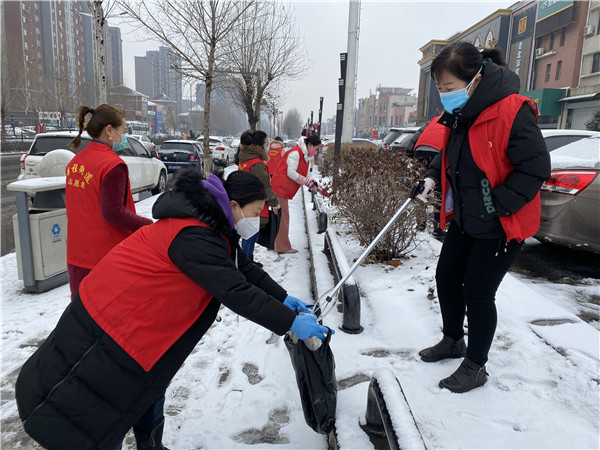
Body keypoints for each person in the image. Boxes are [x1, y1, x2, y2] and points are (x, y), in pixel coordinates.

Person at [15, 169, 331, 450]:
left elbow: (242, 268)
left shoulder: (210, 225)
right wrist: (290, 321)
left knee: (147, 390)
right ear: (233, 206)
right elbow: (235, 291)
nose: (258, 219)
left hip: (138, 327)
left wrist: (283, 297)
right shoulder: (195, 235)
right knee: (99, 414)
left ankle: (151, 444)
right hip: (111, 330)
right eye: (256, 211)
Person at [414, 42, 550, 393]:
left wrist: (498, 203)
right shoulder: (461, 115)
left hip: (501, 225)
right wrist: (431, 177)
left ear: (474, 80)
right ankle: (452, 340)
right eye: (440, 89)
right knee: (446, 278)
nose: (444, 96)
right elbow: (448, 153)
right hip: (465, 218)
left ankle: (476, 365)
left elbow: (535, 168)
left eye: (449, 88)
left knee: (477, 292)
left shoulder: (512, 111)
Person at [66, 105, 152, 301]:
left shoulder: (76, 163)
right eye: (122, 131)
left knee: (82, 315)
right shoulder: (112, 165)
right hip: (106, 257)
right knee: (108, 317)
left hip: (77, 253)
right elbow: (112, 212)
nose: (124, 137)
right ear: (109, 130)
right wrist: (147, 226)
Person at [271, 134, 322, 254]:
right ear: (310, 145)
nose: (317, 151)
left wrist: (315, 185)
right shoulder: (296, 153)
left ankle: (275, 244)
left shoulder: (306, 155)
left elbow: (307, 175)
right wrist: (306, 181)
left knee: (280, 216)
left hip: (283, 189)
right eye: (316, 148)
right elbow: (291, 172)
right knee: (283, 217)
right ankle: (281, 246)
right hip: (279, 187)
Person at [237, 130, 279, 264]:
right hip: (254, 205)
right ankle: (246, 263)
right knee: (251, 234)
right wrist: (275, 203)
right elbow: (265, 187)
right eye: (266, 143)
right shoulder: (257, 164)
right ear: (258, 146)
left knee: (248, 234)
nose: (268, 146)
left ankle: (247, 260)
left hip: (244, 202)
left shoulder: (245, 159)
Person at [406, 116, 446, 236]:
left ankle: (420, 224)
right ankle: (439, 226)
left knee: (422, 188)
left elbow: (416, 135)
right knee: (439, 190)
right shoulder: (453, 120)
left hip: (420, 150)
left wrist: (411, 153)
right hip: (438, 152)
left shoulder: (433, 120)